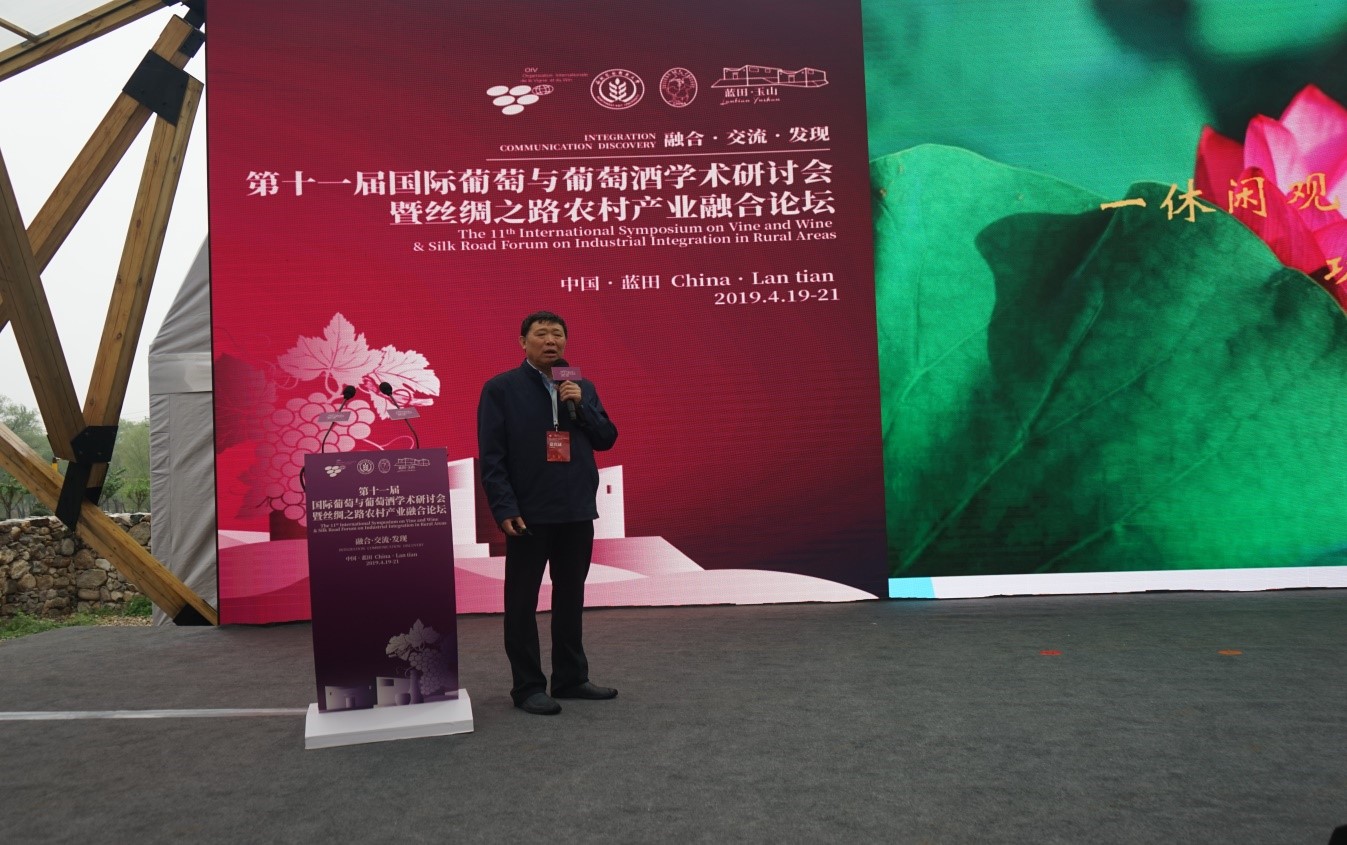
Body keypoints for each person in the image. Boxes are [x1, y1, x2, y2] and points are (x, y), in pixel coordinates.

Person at [477, 310, 620, 715]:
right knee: (521, 602)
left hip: (576, 509)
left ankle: (571, 679)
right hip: (528, 513)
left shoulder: (580, 386)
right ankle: (527, 687)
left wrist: (582, 405)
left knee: (571, 597)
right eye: (541, 334)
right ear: (523, 342)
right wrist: (504, 506)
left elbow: (606, 438)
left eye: (557, 334)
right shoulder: (501, 388)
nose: (551, 341)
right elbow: (492, 456)